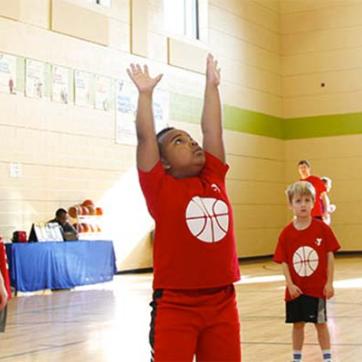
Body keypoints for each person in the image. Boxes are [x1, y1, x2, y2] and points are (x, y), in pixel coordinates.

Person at [127, 54, 241, 361]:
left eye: (191, 139)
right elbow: (145, 138)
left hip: (223, 301)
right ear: (162, 162)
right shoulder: (160, 188)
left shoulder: (214, 176)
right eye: (179, 141)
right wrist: (145, 96)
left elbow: (213, 131)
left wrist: (212, 86)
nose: (192, 143)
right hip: (176, 304)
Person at [273, 181, 340, 362]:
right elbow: (284, 261)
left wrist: (329, 282)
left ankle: (327, 358)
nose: (303, 204)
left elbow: (330, 256)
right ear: (290, 204)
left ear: (313, 203)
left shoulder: (322, 229)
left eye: (307, 200)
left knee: (321, 323)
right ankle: (297, 358)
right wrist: (290, 284)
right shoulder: (286, 233)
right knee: (298, 325)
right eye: (298, 200)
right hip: (296, 290)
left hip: (317, 288)